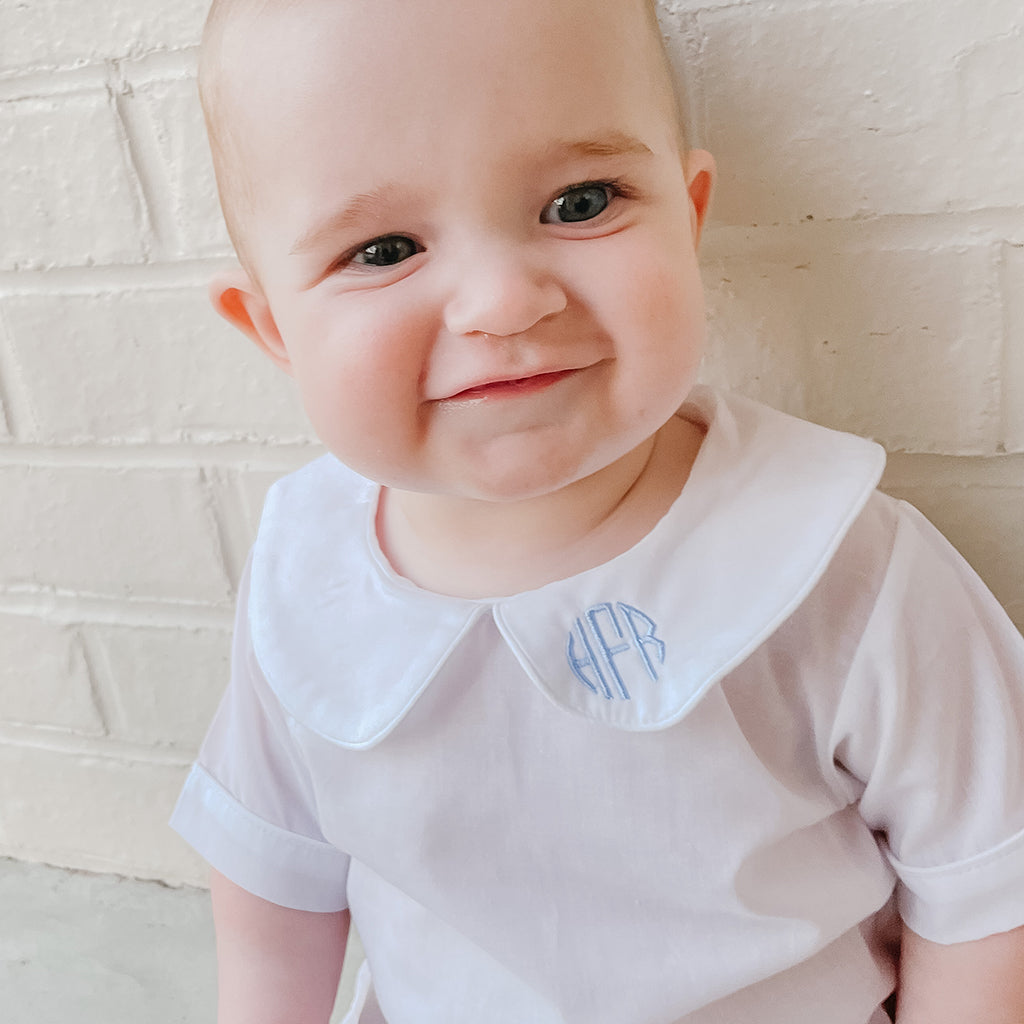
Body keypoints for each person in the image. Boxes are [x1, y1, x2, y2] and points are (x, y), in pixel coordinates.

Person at [170, 0, 1024, 1020]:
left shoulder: (835, 559)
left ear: (689, 212)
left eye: (579, 202)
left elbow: (986, 883)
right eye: (385, 247)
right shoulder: (304, 582)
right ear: (271, 328)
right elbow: (276, 888)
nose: (499, 300)